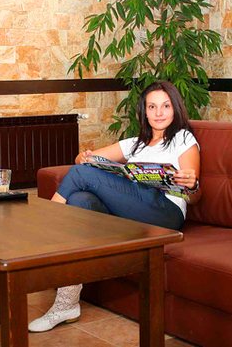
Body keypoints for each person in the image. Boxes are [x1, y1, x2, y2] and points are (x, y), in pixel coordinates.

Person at [28, 80, 201, 333]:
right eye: (152, 107)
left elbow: (194, 196)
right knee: (79, 201)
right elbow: (83, 160)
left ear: (175, 108)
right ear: (144, 111)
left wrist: (191, 183)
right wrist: (84, 156)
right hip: (135, 215)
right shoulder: (136, 143)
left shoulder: (183, 139)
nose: (159, 112)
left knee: (80, 175)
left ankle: (42, 229)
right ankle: (66, 304)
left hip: (166, 213)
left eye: (165, 106)